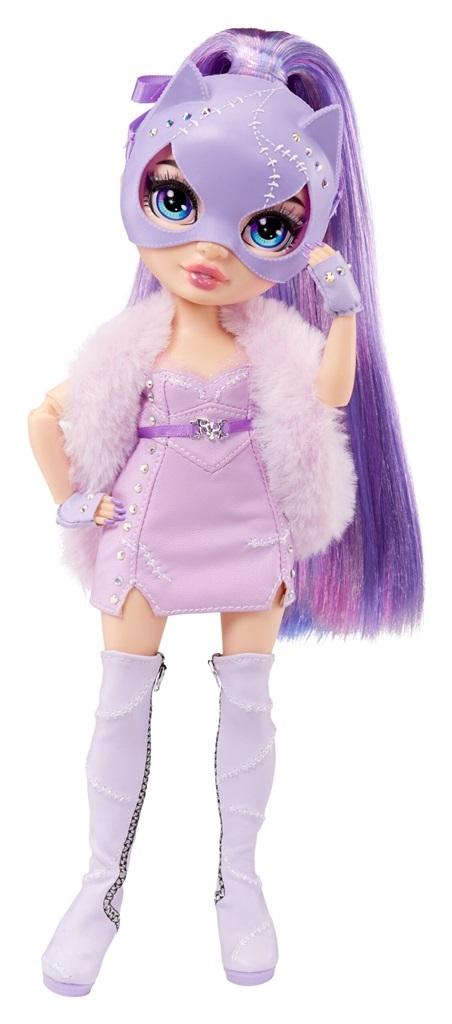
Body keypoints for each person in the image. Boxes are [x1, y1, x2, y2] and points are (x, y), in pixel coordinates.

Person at [27, 26, 423, 994]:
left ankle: (238, 885)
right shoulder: (133, 342)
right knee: (121, 696)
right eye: (176, 199)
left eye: (266, 226)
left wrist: (344, 309)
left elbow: (329, 395)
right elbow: (44, 416)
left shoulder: (275, 341)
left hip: (249, 528)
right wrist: (76, 502)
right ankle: (97, 888)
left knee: (248, 699)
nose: (209, 246)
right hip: (144, 530)